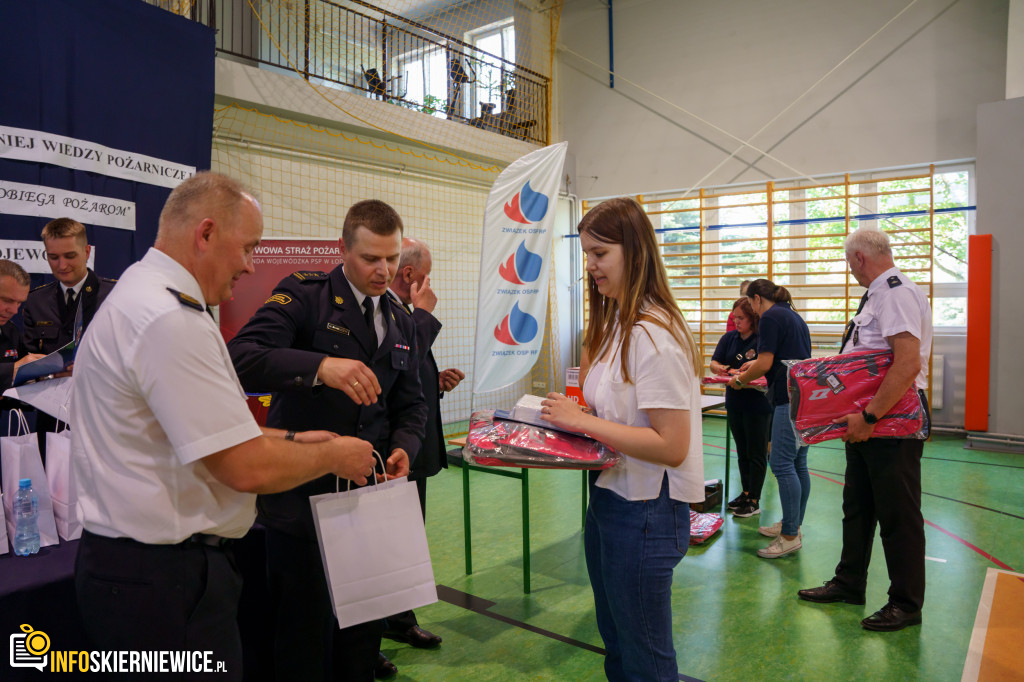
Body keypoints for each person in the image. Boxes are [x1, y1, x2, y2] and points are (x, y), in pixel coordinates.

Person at [71, 172, 376, 680]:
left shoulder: (145, 299)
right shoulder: (169, 319)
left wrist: (296, 439)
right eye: (248, 247)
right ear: (206, 233)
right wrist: (332, 455)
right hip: (165, 582)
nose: (250, 265)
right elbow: (242, 464)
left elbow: (207, 434)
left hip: (143, 576)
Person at [227, 199, 428, 682]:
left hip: (367, 502)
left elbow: (412, 403)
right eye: (370, 258)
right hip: (304, 506)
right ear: (343, 249)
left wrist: (405, 447)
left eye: (392, 258)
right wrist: (319, 367)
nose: (384, 271)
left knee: (360, 638)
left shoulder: (400, 319)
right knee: (302, 639)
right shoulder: (306, 296)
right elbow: (242, 356)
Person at [539, 197, 705, 681]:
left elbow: (671, 445)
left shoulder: (654, 336)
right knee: (619, 646)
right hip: (612, 499)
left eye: (599, 254)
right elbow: (619, 413)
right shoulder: (618, 323)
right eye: (586, 254)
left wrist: (582, 422)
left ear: (633, 252)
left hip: (646, 511)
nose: (589, 266)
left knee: (645, 658)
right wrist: (577, 416)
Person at [797, 228, 932, 632]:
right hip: (869, 421)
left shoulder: (894, 292)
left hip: (889, 420)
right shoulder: (879, 292)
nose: (849, 270)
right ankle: (849, 581)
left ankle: (906, 604)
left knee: (898, 515)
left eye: (847, 263)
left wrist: (869, 417)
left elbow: (906, 363)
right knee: (858, 508)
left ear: (858, 258)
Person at [379, 237, 464, 674]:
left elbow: (410, 377)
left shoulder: (405, 314)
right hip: (389, 452)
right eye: (425, 273)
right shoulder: (387, 311)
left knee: (407, 541)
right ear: (411, 276)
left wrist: (437, 382)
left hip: (413, 447)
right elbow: (397, 363)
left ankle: (399, 620)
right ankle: (368, 635)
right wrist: (427, 314)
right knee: (379, 545)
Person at [21, 218, 116, 460]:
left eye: (69, 255)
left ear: (86, 252)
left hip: (106, 416)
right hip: (52, 420)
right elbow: (27, 360)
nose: (61, 265)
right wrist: (51, 372)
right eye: (53, 257)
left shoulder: (115, 295)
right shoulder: (36, 301)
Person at [730, 278, 811, 558]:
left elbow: (765, 363)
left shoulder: (770, 317)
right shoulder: (791, 315)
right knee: (798, 463)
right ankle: (792, 525)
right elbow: (781, 358)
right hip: (804, 397)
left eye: (748, 302)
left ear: (756, 299)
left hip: (787, 399)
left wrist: (740, 379)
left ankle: (789, 536)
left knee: (781, 462)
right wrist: (757, 364)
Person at [710, 297, 771, 518]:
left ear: (753, 319)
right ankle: (746, 493)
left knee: (756, 452)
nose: (736, 321)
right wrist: (722, 368)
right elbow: (714, 362)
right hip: (735, 400)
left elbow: (767, 367)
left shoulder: (761, 340)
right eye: (734, 317)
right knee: (742, 451)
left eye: (741, 318)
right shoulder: (729, 338)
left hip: (757, 402)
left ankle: (754, 499)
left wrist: (745, 374)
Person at [0, 260, 44, 394]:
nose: (14, 311)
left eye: (19, 303)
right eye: (7, 300)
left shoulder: (10, 331)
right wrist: (13, 369)